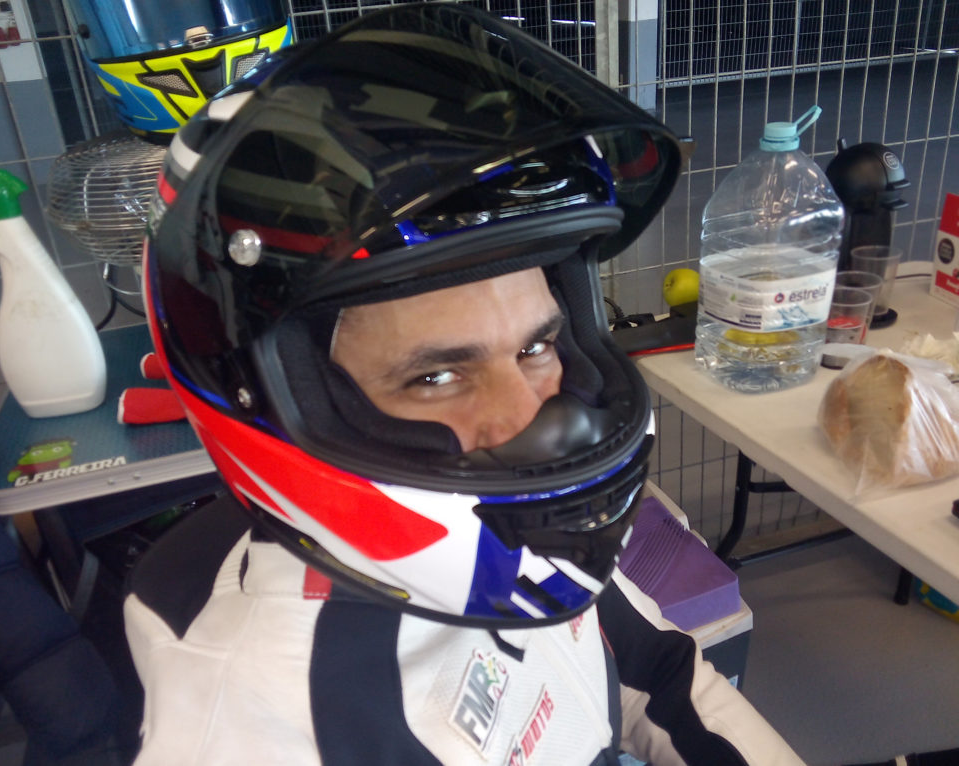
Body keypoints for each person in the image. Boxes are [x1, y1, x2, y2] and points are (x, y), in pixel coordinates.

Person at [125, 4, 806, 763]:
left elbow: (661, 675)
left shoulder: (527, 546)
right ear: (285, 400)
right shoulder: (263, 733)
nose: (533, 423)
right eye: (438, 375)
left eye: (538, 346)